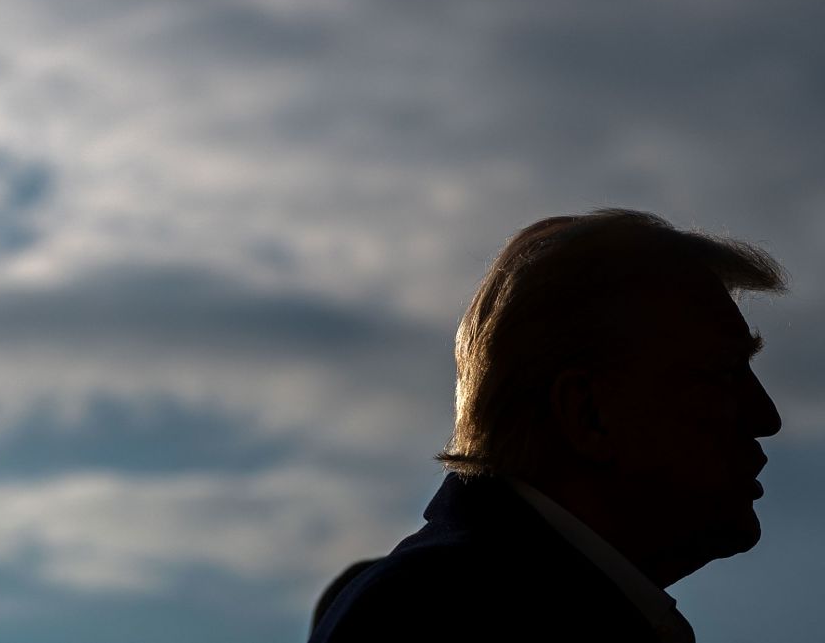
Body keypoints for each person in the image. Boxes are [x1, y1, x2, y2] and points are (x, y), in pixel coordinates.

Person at [309, 209, 785, 642]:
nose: (766, 417)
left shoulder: (460, 598)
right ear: (587, 413)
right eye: (721, 375)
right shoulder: (436, 613)